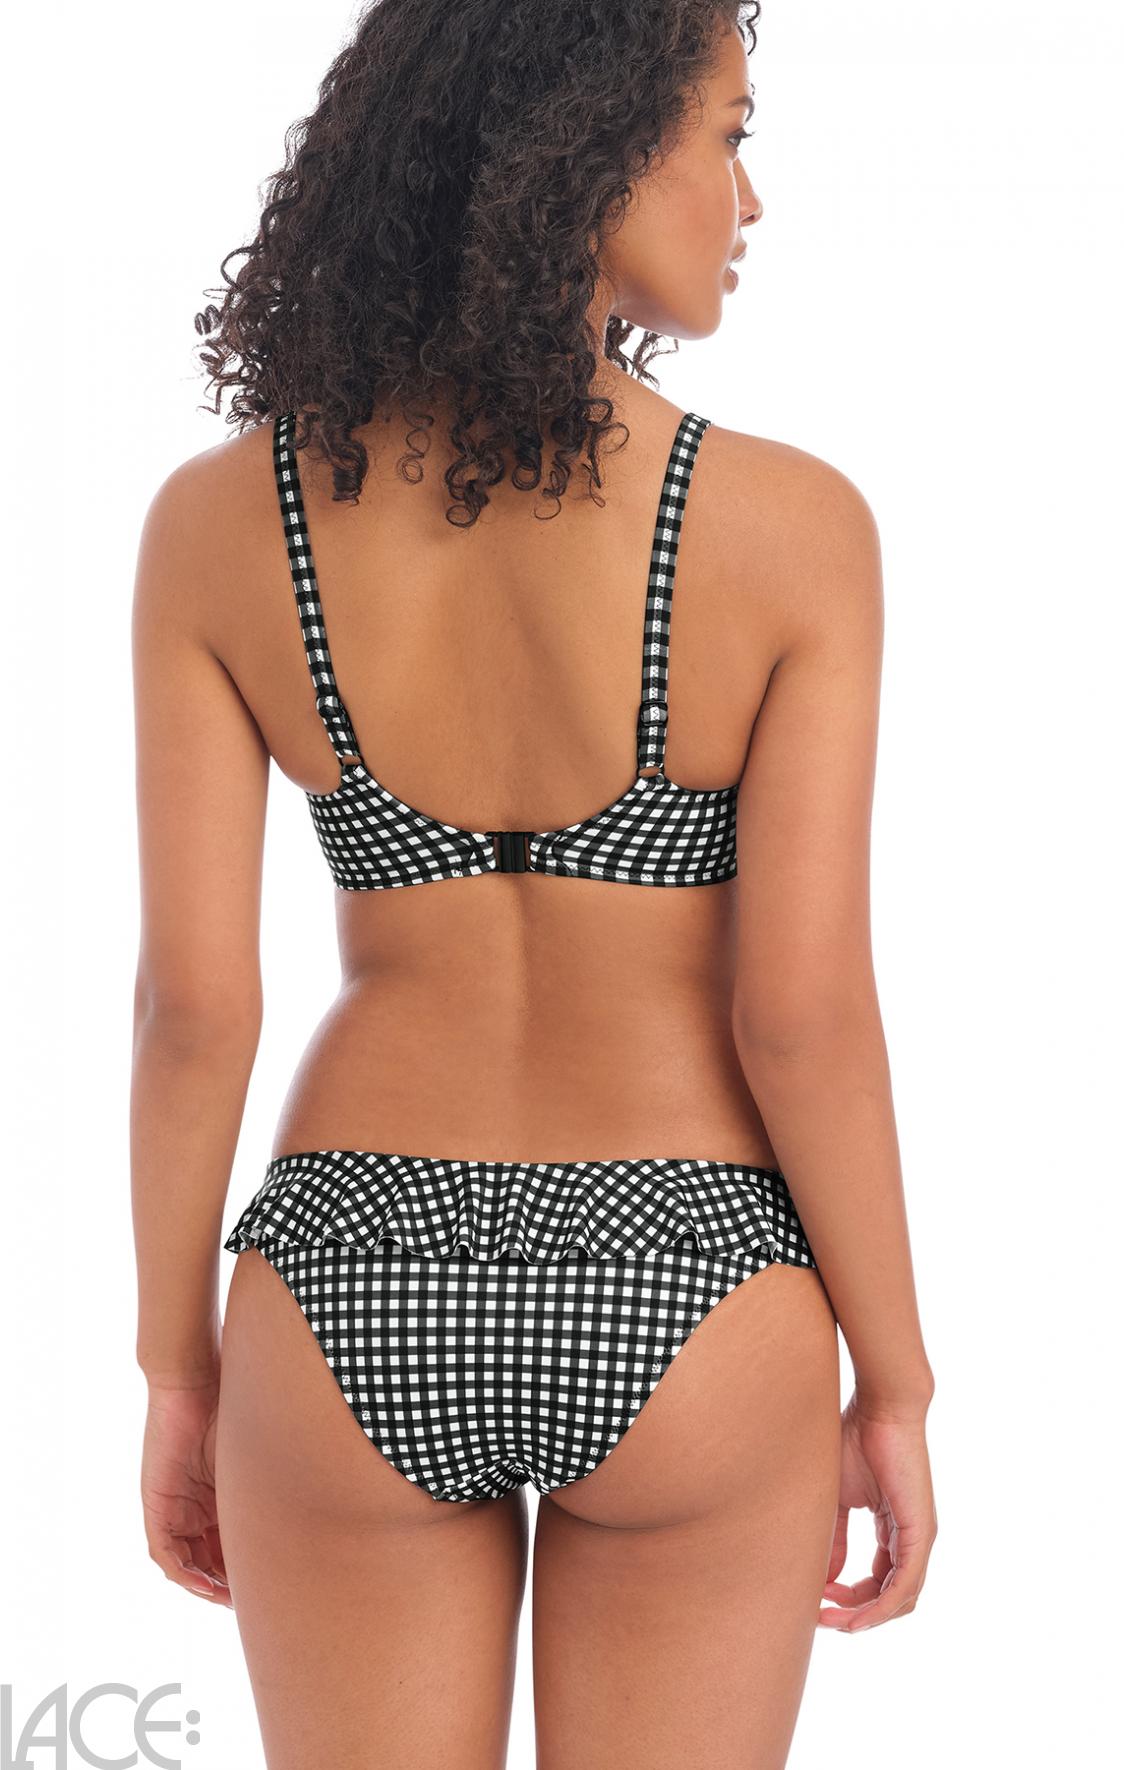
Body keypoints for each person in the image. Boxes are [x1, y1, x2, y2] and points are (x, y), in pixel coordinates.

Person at [130, 2, 937, 1762]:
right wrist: (896, 1378)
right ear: (590, 147)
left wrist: (177, 1366)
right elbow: (799, 1017)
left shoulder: (223, 526)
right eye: (728, 135)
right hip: (693, 1269)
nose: (750, 196)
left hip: (345, 1270)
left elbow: (194, 1007)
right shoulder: (790, 530)